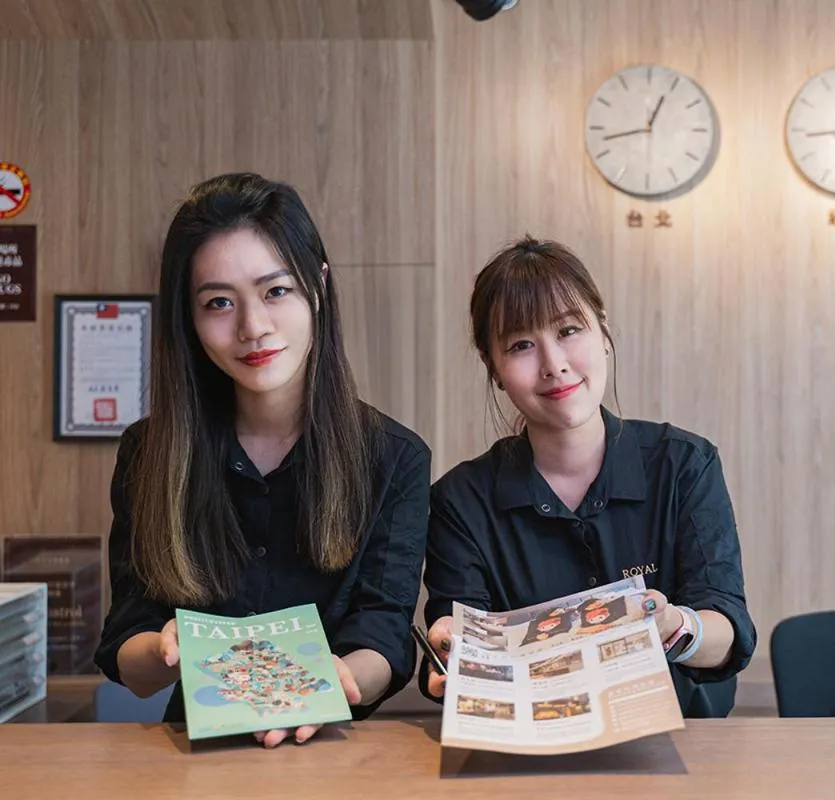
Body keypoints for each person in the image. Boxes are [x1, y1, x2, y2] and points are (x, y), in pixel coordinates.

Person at [94, 173, 430, 746]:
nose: (253, 327)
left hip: (327, 752)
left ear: (317, 286)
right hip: (189, 757)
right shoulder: (150, 454)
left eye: (276, 291)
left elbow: (383, 633)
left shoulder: (392, 457)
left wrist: (337, 680)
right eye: (219, 303)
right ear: (189, 318)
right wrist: (163, 647)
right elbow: (129, 645)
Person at [422, 236, 755, 717]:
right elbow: (457, 642)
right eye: (520, 345)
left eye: (569, 330)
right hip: (530, 758)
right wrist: (451, 652)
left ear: (603, 330)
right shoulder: (460, 502)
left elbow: (727, 630)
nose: (553, 364)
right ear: (493, 369)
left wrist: (674, 625)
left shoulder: (683, 464)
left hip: (682, 750)